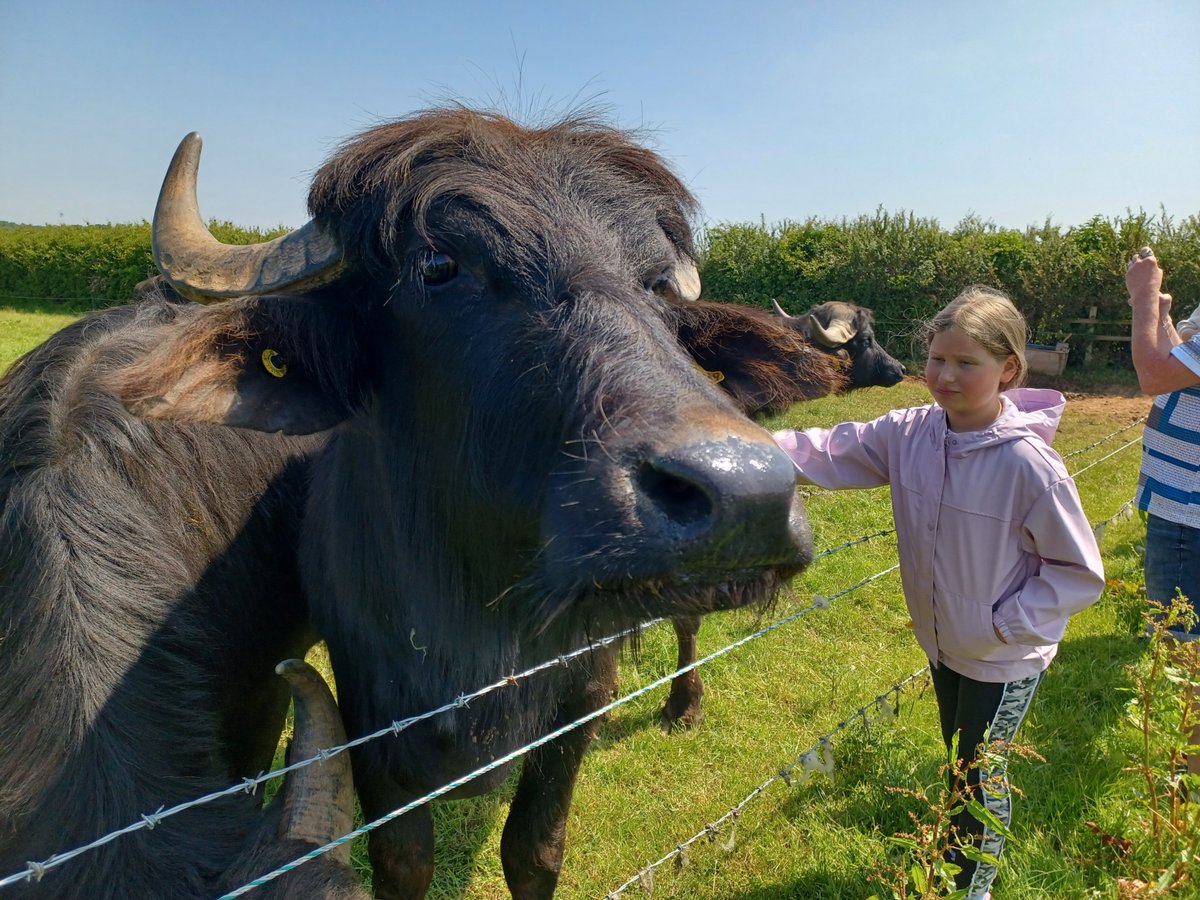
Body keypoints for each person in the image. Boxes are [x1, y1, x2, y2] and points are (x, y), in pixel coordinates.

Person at [773, 286, 1105, 899]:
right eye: (937, 360)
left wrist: (1002, 625)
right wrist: (748, 448)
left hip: (1002, 655)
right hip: (944, 641)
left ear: (1008, 370)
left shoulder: (1029, 466)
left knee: (978, 779)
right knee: (959, 763)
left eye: (966, 364)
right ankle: (949, 875)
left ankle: (966, 890)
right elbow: (831, 447)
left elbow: (1078, 572)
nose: (944, 376)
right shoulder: (910, 434)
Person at [1127, 246, 1200, 778]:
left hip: (1188, 510)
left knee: (1182, 646)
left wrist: (1143, 296)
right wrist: (1165, 316)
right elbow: (1182, 369)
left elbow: (1154, 376)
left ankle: (1192, 777)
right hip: (1181, 497)